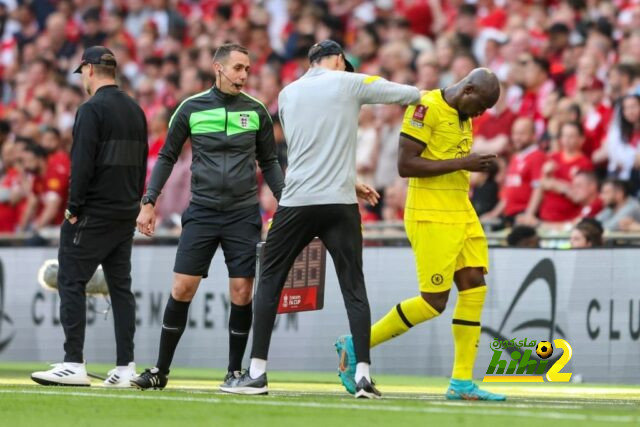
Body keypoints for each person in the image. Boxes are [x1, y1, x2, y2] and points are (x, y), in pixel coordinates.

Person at [219, 39, 421, 398]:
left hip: (297, 200)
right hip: (339, 203)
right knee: (353, 287)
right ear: (339, 60)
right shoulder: (350, 82)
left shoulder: (287, 93)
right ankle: (362, 377)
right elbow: (406, 93)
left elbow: (308, 151)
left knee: (269, 282)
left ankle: (257, 373)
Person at [335, 68, 506, 401]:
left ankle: (461, 383)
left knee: (474, 288)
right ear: (468, 89)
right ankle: (355, 344)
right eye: (481, 106)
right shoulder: (425, 106)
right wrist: (463, 164)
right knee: (433, 303)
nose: (481, 114)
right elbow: (406, 164)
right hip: (431, 214)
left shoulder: (462, 112)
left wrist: (466, 165)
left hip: (461, 210)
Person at [131, 44, 285, 390]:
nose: (244, 75)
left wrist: (286, 202)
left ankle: (233, 373)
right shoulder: (190, 108)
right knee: (182, 288)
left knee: (242, 292)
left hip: (243, 213)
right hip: (200, 211)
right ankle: (160, 371)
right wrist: (149, 201)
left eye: (248, 69)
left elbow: (270, 162)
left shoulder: (257, 111)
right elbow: (167, 156)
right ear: (218, 68)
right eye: (238, 68)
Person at [31, 46, 148, 387]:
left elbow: (82, 163)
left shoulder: (91, 109)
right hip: (125, 212)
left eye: (82, 72)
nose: (82, 78)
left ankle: (73, 363)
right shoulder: (136, 110)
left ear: (90, 70)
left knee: (70, 280)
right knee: (120, 288)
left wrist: (73, 207)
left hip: (93, 211)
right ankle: (126, 367)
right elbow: (141, 164)